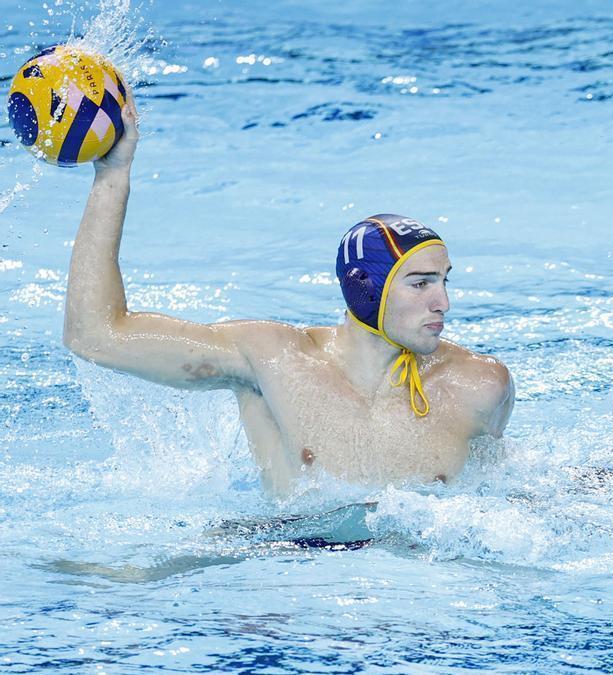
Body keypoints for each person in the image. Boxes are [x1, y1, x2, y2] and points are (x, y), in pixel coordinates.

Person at [63, 94, 514, 495]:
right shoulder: (273, 360)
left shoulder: (478, 386)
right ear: (365, 288)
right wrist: (112, 176)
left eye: (443, 280)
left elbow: (496, 493)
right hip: (287, 559)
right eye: (420, 283)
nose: (443, 303)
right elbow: (94, 335)